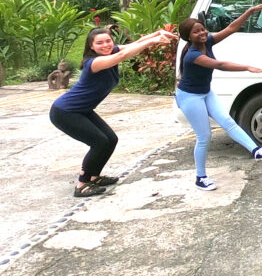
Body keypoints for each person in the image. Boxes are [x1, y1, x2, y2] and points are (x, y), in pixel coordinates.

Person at [50, 26, 178, 197]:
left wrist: (156, 34)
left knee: (110, 139)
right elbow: (122, 56)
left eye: (108, 41)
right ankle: (82, 184)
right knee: (99, 142)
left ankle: (94, 177)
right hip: (65, 112)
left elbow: (137, 43)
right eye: (99, 43)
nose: (105, 45)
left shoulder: (111, 52)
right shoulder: (94, 63)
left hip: (82, 109)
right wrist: (153, 41)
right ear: (91, 47)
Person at [176, 4, 262, 191]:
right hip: (190, 97)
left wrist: (249, 11)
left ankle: (256, 150)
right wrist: (246, 67)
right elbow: (219, 65)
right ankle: (200, 177)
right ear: (188, 36)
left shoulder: (207, 42)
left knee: (228, 121)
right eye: (196, 32)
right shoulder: (192, 55)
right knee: (204, 136)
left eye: (202, 29)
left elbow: (231, 28)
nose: (202, 33)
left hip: (205, 92)